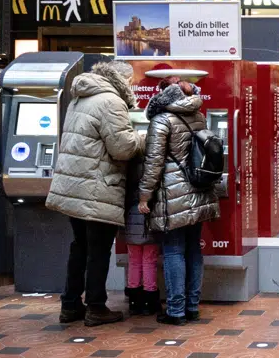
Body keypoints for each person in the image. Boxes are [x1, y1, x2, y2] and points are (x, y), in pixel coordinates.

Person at [46, 60, 144, 326]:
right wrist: (144, 138)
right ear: (122, 80)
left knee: (80, 246)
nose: (132, 87)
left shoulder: (81, 97)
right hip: (97, 185)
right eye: (131, 82)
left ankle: (70, 304)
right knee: (99, 249)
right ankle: (97, 307)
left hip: (74, 184)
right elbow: (122, 148)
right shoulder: (111, 101)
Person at [140, 77, 221, 326]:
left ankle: (176, 310)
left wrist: (144, 196)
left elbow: (153, 163)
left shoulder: (161, 120)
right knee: (193, 248)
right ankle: (192, 307)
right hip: (198, 190)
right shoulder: (198, 115)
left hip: (172, 193)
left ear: (165, 95)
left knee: (174, 250)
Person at [122, 148, 160, 317]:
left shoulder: (128, 168)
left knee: (134, 260)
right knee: (149, 260)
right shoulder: (151, 169)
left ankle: (134, 301)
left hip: (130, 218)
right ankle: (149, 300)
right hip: (147, 219)